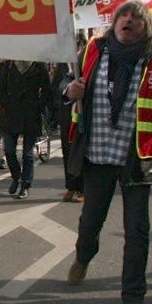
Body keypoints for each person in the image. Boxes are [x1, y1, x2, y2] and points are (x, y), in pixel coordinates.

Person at [63, 0, 152, 304]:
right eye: (123, 16)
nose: (128, 21)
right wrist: (70, 89)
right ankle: (83, 256)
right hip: (97, 155)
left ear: (145, 27)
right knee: (90, 221)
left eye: (136, 18)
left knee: (138, 230)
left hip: (136, 156)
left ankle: (133, 300)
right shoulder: (93, 50)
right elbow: (65, 83)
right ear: (115, 23)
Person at [0, 59, 51, 199]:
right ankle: (16, 177)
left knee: (28, 153)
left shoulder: (39, 65)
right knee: (9, 150)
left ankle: (25, 185)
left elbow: (47, 90)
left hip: (30, 114)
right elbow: (1, 88)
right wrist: (6, 103)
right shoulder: (9, 64)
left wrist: (38, 106)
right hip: (11, 113)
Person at [57, 33, 87, 202]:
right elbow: (57, 86)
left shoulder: (87, 63)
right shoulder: (62, 65)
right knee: (67, 151)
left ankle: (83, 188)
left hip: (83, 114)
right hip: (67, 114)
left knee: (81, 151)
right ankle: (71, 186)